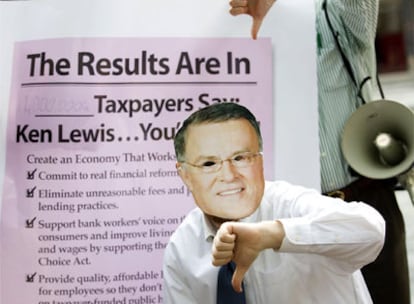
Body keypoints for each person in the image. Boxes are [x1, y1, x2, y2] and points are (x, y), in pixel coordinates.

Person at [227, 0, 411, 303]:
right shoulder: (237, 17)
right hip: (290, 218)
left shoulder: (333, 10)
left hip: (363, 200)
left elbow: (360, 16)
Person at [163, 102, 385, 303]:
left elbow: (371, 230)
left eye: (240, 158)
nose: (228, 175)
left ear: (260, 161)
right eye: (209, 163)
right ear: (184, 175)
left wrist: (271, 235)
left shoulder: (291, 205)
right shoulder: (182, 246)